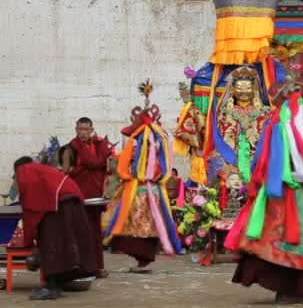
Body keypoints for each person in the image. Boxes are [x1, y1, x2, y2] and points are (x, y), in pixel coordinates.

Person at [225, 72, 303, 304]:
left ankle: (289, 289)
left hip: (276, 191)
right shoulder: (284, 126)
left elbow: (263, 159)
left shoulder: (275, 123)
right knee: (288, 237)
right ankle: (291, 289)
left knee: (273, 236)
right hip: (286, 190)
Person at [103, 80, 181, 273]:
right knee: (134, 225)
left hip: (148, 191)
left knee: (144, 226)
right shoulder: (139, 146)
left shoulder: (156, 145)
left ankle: (143, 259)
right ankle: (141, 259)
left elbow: (160, 168)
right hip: (138, 189)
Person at [14, 157, 96, 300]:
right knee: (66, 246)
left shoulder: (24, 170)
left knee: (50, 244)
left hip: (59, 206)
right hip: (74, 203)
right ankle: (57, 283)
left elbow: (30, 209)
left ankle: (51, 288)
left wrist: (28, 243)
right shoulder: (43, 169)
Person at [61, 117, 113, 279]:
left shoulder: (99, 148)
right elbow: (65, 174)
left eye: (86, 130)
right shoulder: (70, 149)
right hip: (78, 199)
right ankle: (82, 267)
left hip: (96, 198)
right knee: (80, 234)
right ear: (76, 129)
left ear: (91, 130)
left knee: (96, 234)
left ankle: (98, 267)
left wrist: (107, 189)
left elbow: (107, 171)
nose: (83, 133)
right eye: (80, 129)